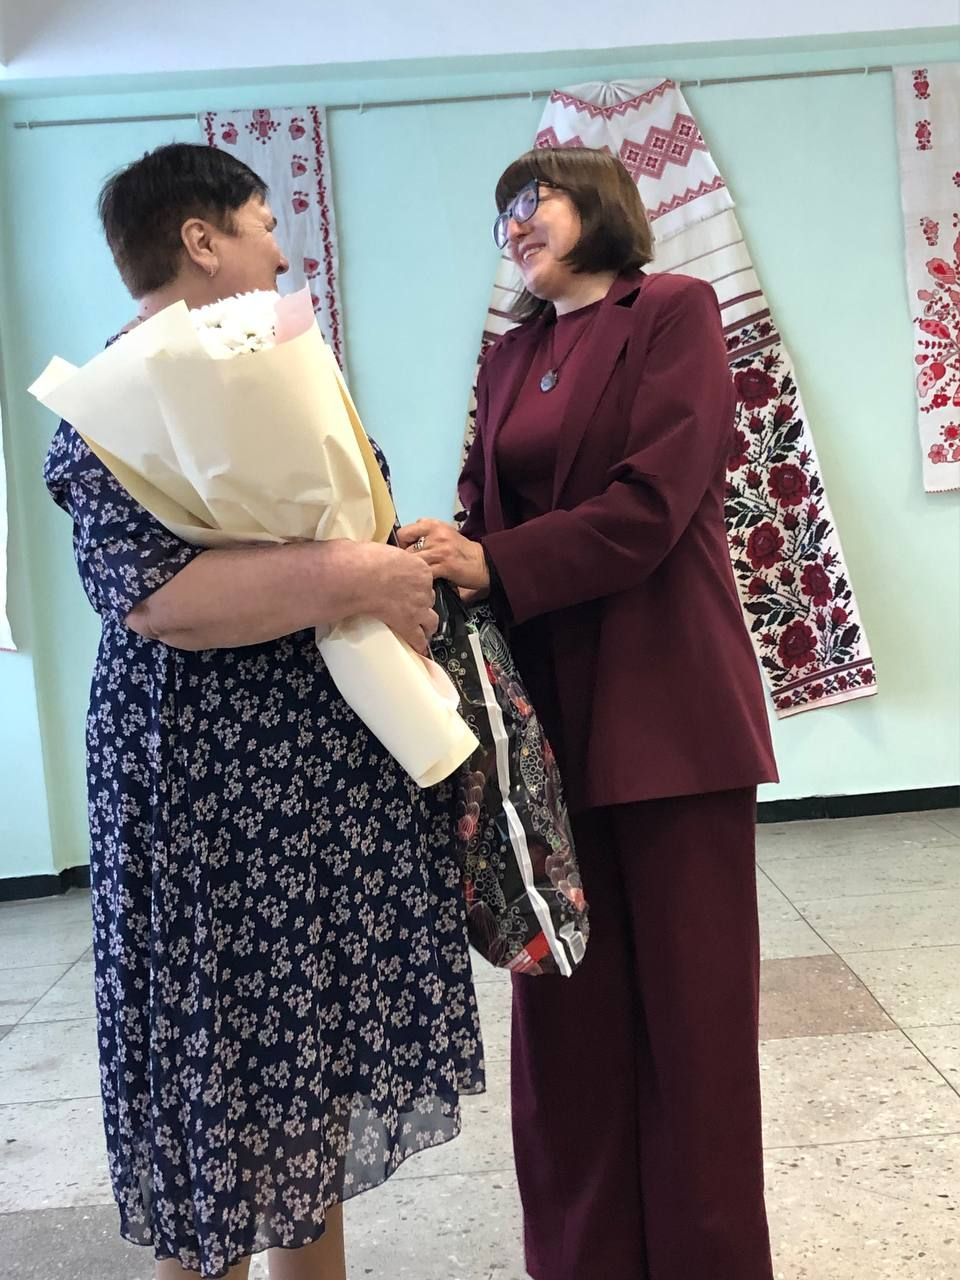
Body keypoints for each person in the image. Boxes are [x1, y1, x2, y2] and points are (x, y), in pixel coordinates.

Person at [43, 143, 483, 1280]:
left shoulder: (277, 370)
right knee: (213, 1085)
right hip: (202, 777)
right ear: (200, 239)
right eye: (262, 223)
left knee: (306, 1079)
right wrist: (356, 575)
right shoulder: (112, 407)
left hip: (309, 773)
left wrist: (396, 560)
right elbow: (159, 601)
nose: (281, 252)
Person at [398, 146, 779, 1280]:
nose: (514, 223)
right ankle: (580, 1258)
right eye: (502, 212)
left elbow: (653, 503)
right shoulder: (510, 352)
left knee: (695, 1022)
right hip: (543, 723)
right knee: (564, 1016)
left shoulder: (672, 311)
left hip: (669, 712)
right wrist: (450, 542)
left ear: (600, 204)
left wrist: (497, 559)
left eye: (534, 200)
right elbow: (485, 506)